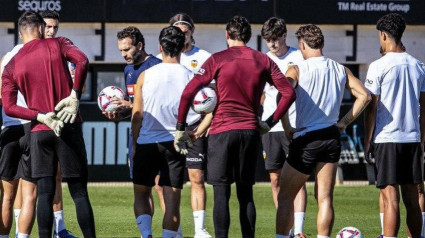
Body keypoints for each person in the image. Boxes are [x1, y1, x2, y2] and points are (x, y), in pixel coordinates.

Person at [175, 15, 296, 238]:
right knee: (245, 194)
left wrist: (181, 127)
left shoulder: (217, 59)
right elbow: (289, 93)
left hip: (221, 133)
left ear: (227, 35)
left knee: (221, 194)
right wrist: (269, 122)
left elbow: (188, 92)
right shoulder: (263, 59)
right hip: (250, 132)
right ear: (249, 37)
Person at [1, 11, 96, 238]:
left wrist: (38, 116)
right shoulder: (59, 43)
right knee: (79, 192)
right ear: (41, 29)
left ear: (20, 32)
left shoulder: (11, 64)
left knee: (44, 193)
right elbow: (82, 60)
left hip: (38, 131)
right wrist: (74, 96)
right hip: (67, 125)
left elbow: (9, 107)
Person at [275, 24, 371, 238]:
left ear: (301, 44)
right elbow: (365, 96)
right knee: (325, 197)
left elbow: (282, 96)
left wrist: (287, 126)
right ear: (322, 43)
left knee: (285, 196)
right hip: (331, 137)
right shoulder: (340, 68)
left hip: (306, 138)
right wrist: (344, 123)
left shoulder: (297, 69)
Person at [131, 25, 197, 238]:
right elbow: (204, 111)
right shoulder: (190, 76)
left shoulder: (145, 75)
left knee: (141, 193)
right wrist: (193, 134)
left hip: (147, 143)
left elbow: (137, 115)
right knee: (172, 201)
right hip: (175, 144)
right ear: (182, 47)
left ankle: (146, 235)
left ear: (159, 46)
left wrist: (134, 144)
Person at [364, 13, 425, 238]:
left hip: (386, 140)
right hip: (412, 140)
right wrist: (422, 140)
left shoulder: (378, 66)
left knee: (390, 201)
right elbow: (424, 108)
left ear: (383, 35)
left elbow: (370, 107)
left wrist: (367, 140)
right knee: (412, 199)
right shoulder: (419, 66)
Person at [113, 26, 164, 238]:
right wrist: (121, 111)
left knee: (162, 186)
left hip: (160, 134)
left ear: (140, 46)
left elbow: (161, 104)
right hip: (137, 135)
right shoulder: (128, 70)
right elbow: (134, 105)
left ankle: (174, 232)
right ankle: (147, 235)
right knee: (140, 187)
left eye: (127, 49)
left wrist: (130, 104)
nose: (124, 54)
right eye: (121, 50)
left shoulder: (157, 66)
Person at [260, 17, 306, 238]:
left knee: (296, 178)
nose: (272, 45)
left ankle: (298, 230)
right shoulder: (263, 59)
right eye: (268, 40)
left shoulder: (299, 57)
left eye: (276, 39)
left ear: (284, 36)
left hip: (295, 125)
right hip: (270, 127)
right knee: (275, 178)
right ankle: (283, 228)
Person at [168, 13, 212, 238]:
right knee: (167, 181)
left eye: (185, 31)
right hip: (169, 128)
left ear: (192, 31)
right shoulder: (164, 57)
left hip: (195, 127)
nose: (182, 35)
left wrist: (204, 124)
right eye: (177, 31)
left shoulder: (204, 57)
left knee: (196, 177)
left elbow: (213, 94)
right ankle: (175, 228)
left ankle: (199, 230)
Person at [0, 46, 36, 238]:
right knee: (30, 194)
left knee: (6, 195)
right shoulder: (41, 55)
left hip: (9, 127)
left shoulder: (7, 58)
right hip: (32, 127)